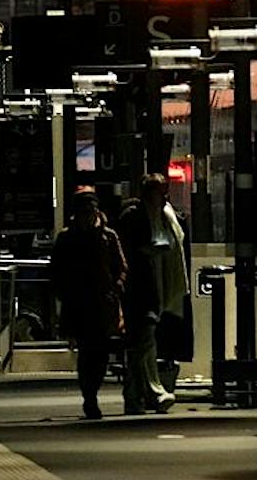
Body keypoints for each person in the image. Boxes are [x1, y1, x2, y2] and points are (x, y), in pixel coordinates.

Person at [47, 187, 125, 421]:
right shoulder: (67, 238)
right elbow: (56, 271)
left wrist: (116, 287)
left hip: (102, 301)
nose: (87, 214)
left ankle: (92, 391)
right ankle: (89, 397)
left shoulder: (108, 236)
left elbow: (120, 266)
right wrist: (62, 294)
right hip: (78, 302)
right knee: (86, 352)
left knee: (100, 353)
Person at [114, 175, 186, 416]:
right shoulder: (133, 217)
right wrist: (150, 250)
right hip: (138, 287)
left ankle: (141, 394)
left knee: (145, 342)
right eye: (160, 192)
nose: (164, 197)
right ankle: (147, 391)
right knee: (143, 338)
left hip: (154, 285)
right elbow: (128, 250)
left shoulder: (164, 215)